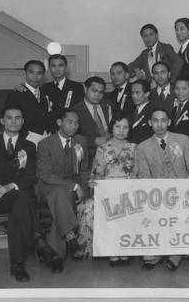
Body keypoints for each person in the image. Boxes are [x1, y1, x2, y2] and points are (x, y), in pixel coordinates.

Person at [0, 106, 61, 281]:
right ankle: (40, 243)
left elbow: (31, 177)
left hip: (20, 196)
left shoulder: (28, 146)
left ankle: (17, 265)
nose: (13, 121)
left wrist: (9, 186)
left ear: (22, 122)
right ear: (2, 121)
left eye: (17, 118)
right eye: (9, 118)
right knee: (21, 201)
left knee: (19, 205)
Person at [135, 108, 189, 271]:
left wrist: (187, 188)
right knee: (155, 212)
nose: (160, 125)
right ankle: (158, 252)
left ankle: (176, 254)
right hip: (158, 193)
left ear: (169, 122)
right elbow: (143, 175)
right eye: (155, 121)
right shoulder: (142, 147)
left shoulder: (183, 140)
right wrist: (157, 193)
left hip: (183, 190)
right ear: (150, 123)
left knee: (181, 211)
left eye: (163, 120)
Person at [76, 113, 137, 265]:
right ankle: (112, 252)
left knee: (129, 209)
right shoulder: (102, 148)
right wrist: (93, 183)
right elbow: (97, 173)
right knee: (91, 208)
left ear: (129, 130)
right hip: (108, 191)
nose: (121, 130)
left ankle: (125, 252)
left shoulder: (134, 148)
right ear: (111, 129)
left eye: (125, 127)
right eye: (117, 126)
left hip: (129, 190)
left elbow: (138, 173)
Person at [36, 108, 90, 269]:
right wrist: (74, 186)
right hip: (48, 188)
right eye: (70, 122)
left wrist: (84, 191)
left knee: (60, 205)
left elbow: (85, 169)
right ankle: (70, 234)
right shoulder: (45, 144)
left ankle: (55, 256)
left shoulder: (81, 140)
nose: (74, 126)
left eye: (77, 123)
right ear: (59, 122)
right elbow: (46, 176)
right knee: (59, 194)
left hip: (72, 192)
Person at [12, 54, 85, 126]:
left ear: (66, 67)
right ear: (49, 67)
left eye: (60, 66)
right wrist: (19, 86)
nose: (57, 69)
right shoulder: (44, 88)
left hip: (71, 129)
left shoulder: (77, 87)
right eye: (53, 66)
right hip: (50, 132)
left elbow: (81, 112)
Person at [5, 60, 53, 145]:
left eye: (39, 73)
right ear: (25, 73)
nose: (35, 77)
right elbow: (10, 120)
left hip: (47, 137)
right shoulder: (16, 94)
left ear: (43, 75)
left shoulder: (45, 92)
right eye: (31, 72)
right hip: (26, 138)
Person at [72, 76, 113, 168]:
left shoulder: (109, 105)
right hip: (88, 156)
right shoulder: (75, 110)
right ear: (86, 89)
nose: (97, 95)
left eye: (101, 92)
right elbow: (73, 137)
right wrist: (94, 141)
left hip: (111, 153)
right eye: (94, 91)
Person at [129, 79, 153, 144]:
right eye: (132, 93)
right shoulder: (129, 109)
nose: (134, 96)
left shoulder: (153, 112)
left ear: (147, 94)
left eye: (137, 92)